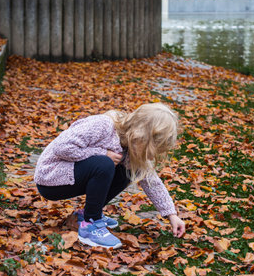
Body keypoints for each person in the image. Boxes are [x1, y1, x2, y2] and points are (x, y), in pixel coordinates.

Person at [34, 103, 185, 249]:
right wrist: (102, 153)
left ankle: (84, 215)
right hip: (51, 178)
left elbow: (151, 181)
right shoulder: (103, 125)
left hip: (74, 176)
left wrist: (171, 214)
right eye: (153, 149)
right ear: (142, 136)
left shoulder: (131, 146)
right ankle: (90, 225)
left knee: (133, 169)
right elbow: (62, 148)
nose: (152, 156)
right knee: (104, 164)